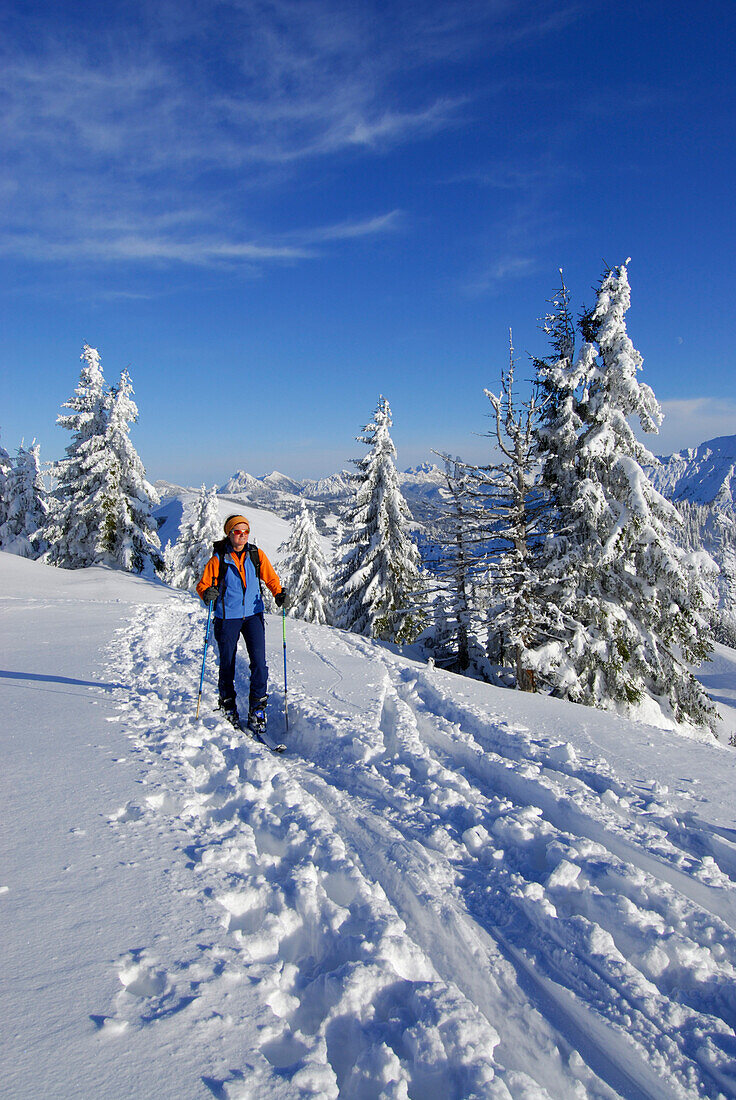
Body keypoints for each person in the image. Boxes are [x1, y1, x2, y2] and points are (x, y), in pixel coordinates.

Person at [196, 514, 286, 735]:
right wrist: (207, 593)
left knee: (259, 662)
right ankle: (228, 704)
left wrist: (279, 593)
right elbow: (203, 585)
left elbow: (271, 577)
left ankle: (257, 708)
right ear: (229, 533)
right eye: (238, 531)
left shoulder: (256, 555)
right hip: (227, 617)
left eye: (246, 532)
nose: (242, 536)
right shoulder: (218, 558)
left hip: (254, 614)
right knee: (227, 663)